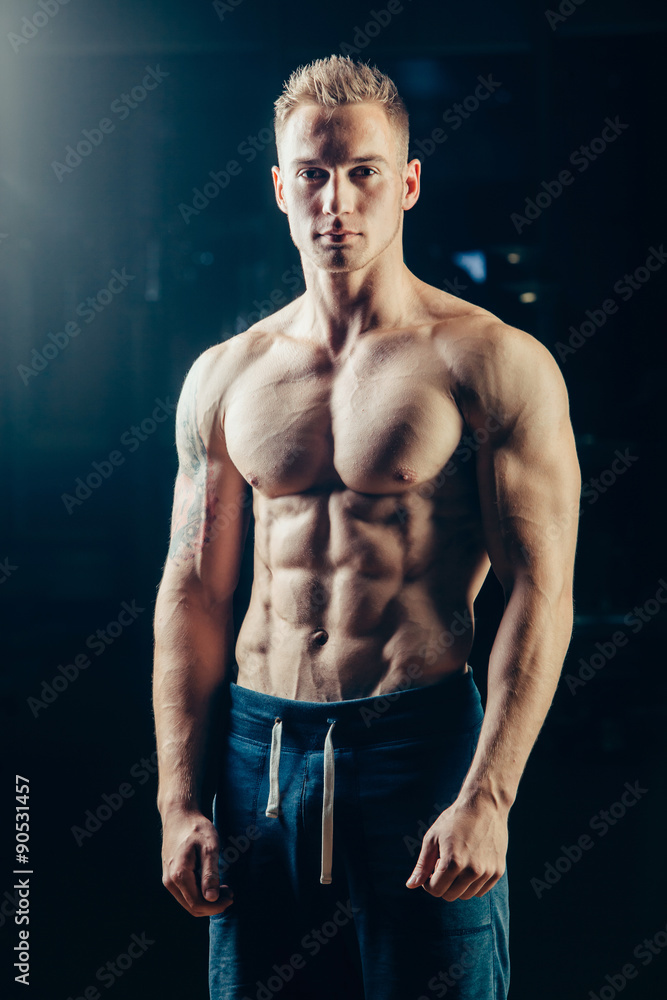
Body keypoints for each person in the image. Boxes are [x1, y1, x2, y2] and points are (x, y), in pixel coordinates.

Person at [152, 53, 581, 1000]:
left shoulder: (490, 363)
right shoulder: (228, 375)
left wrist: (488, 796)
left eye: (363, 172)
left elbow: (541, 595)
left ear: (408, 183)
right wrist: (177, 800)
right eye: (311, 173)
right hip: (255, 753)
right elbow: (195, 591)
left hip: (420, 749)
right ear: (278, 186)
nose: (335, 200)